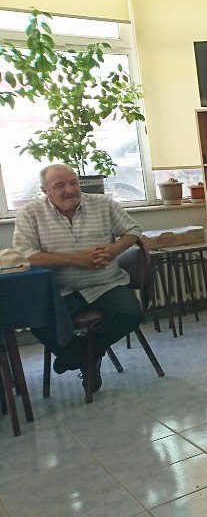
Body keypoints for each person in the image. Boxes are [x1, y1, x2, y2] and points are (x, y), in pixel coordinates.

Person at [12, 164, 144, 393]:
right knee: (38, 320)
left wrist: (113, 251)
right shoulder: (30, 212)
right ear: (45, 191)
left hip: (106, 283)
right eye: (59, 185)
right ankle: (86, 358)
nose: (69, 190)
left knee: (131, 313)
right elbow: (26, 255)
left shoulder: (102, 204)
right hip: (60, 289)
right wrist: (75, 260)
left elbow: (133, 230)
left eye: (73, 183)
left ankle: (80, 356)